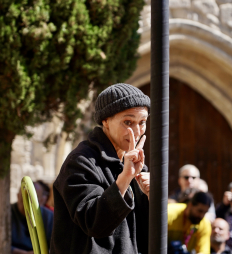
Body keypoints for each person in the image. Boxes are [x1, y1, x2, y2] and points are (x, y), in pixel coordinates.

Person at [50, 83, 151, 254]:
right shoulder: (80, 162)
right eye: (128, 122)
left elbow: (147, 235)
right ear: (106, 121)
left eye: (142, 122)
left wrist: (151, 198)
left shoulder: (137, 166)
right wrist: (124, 179)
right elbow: (94, 225)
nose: (136, 131)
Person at [11, 182, 54, 254]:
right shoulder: (7, 214)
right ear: (18, 196)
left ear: (41, 200)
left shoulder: (50, 217)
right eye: (24, 198)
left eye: (33, 200)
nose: (28, 203)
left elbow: (56, 247)